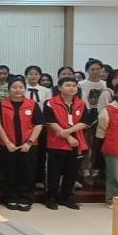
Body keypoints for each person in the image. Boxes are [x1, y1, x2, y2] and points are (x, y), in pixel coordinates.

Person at [0, 76, 43, 211]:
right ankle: (11, 197)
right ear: (9, 89)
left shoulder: (32, 104)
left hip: (28, 145)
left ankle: (26, 198)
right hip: (8, 145)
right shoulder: (1, 105)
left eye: (21, 87)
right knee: (9, 172)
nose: (17, 90)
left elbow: (38, 124)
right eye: (14, 87)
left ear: (25, 89)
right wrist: (7, 142)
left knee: (27, 172)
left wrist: (29, 142)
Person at [43, 77, 89, 210]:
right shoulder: (50, 102)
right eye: (68, 85)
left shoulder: (81, 103)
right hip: (56, 142)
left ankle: (66, 197)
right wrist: (67, 136)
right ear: (59, 88)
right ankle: (51, 197)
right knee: (54, 172)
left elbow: (84, 122)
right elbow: (50, 122)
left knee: (72, 172)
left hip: (76, 141)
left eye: (74, 85)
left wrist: (68, 132)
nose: (71, 88)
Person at [77, 59, 109, 186]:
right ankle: (85, 171)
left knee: (98, 144)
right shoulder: (80, 84)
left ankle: (95, 170)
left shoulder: (105, 84)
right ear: (87, 71)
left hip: (103, 114)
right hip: (86, 114)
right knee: (86, 144)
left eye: (98, 69)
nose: (95, 71)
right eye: (92, 69)